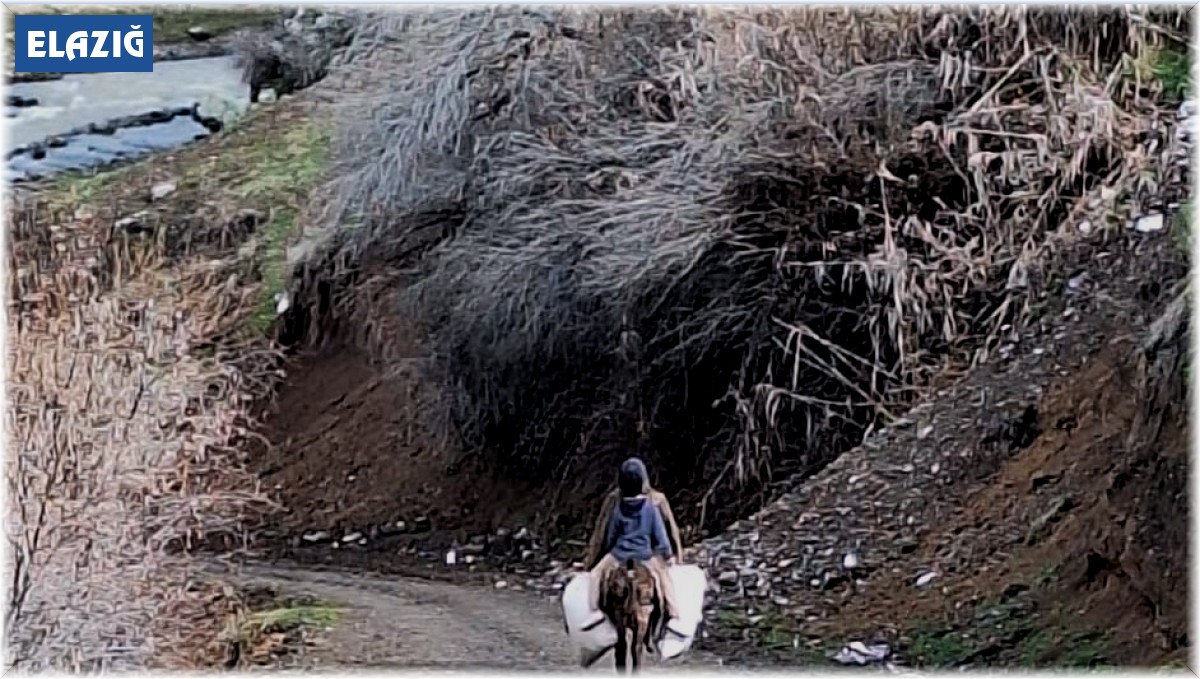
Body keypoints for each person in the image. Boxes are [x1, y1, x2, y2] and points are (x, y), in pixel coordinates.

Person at [586, 457, 685, 638]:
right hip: (646, 555)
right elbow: (665, 532)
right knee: (664, 579)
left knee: (595, 575)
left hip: (619, 554)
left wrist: (597, 558)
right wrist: (671, 555)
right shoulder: (654, 502)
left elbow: (606, 533)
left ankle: (593, 612)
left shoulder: (616, 502)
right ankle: (674, 615)